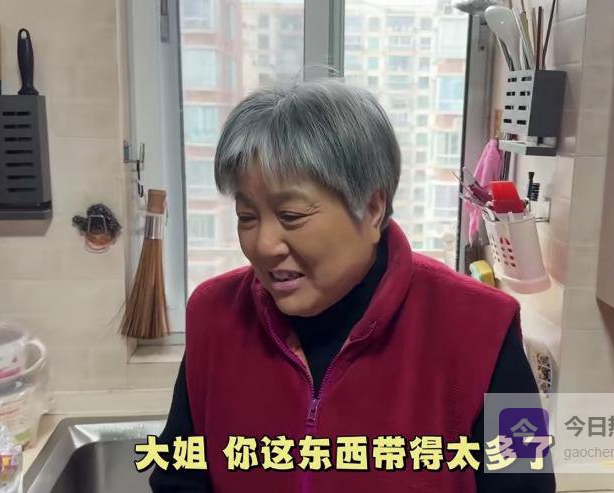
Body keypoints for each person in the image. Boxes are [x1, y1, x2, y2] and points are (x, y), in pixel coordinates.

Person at [150, 78, 555, 492]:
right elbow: (179, 475)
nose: (264, 245)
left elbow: (528, 486)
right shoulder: (214, 316)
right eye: (247, 217)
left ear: (372, 208)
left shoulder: (485, 329)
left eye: (291, 216)